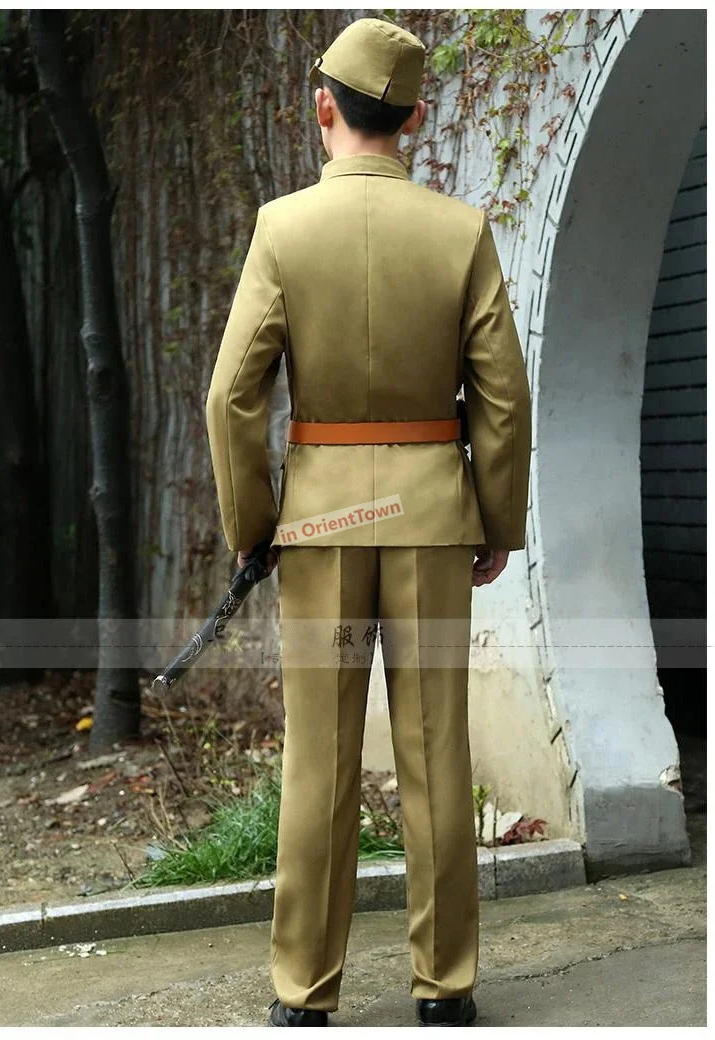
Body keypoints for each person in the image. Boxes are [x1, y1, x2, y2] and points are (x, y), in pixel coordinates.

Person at [206, 15, 532, 1028]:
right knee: (438, 750)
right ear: (416, 118)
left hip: (318, 529)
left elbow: (233, 399)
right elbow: (505, 400)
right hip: (432, 523)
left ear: (322, 110)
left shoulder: (281, 228)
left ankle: (304, 992)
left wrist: (255, 524)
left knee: (321, 757)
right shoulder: (462, 230)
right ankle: (446, 985)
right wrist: (496, 524)